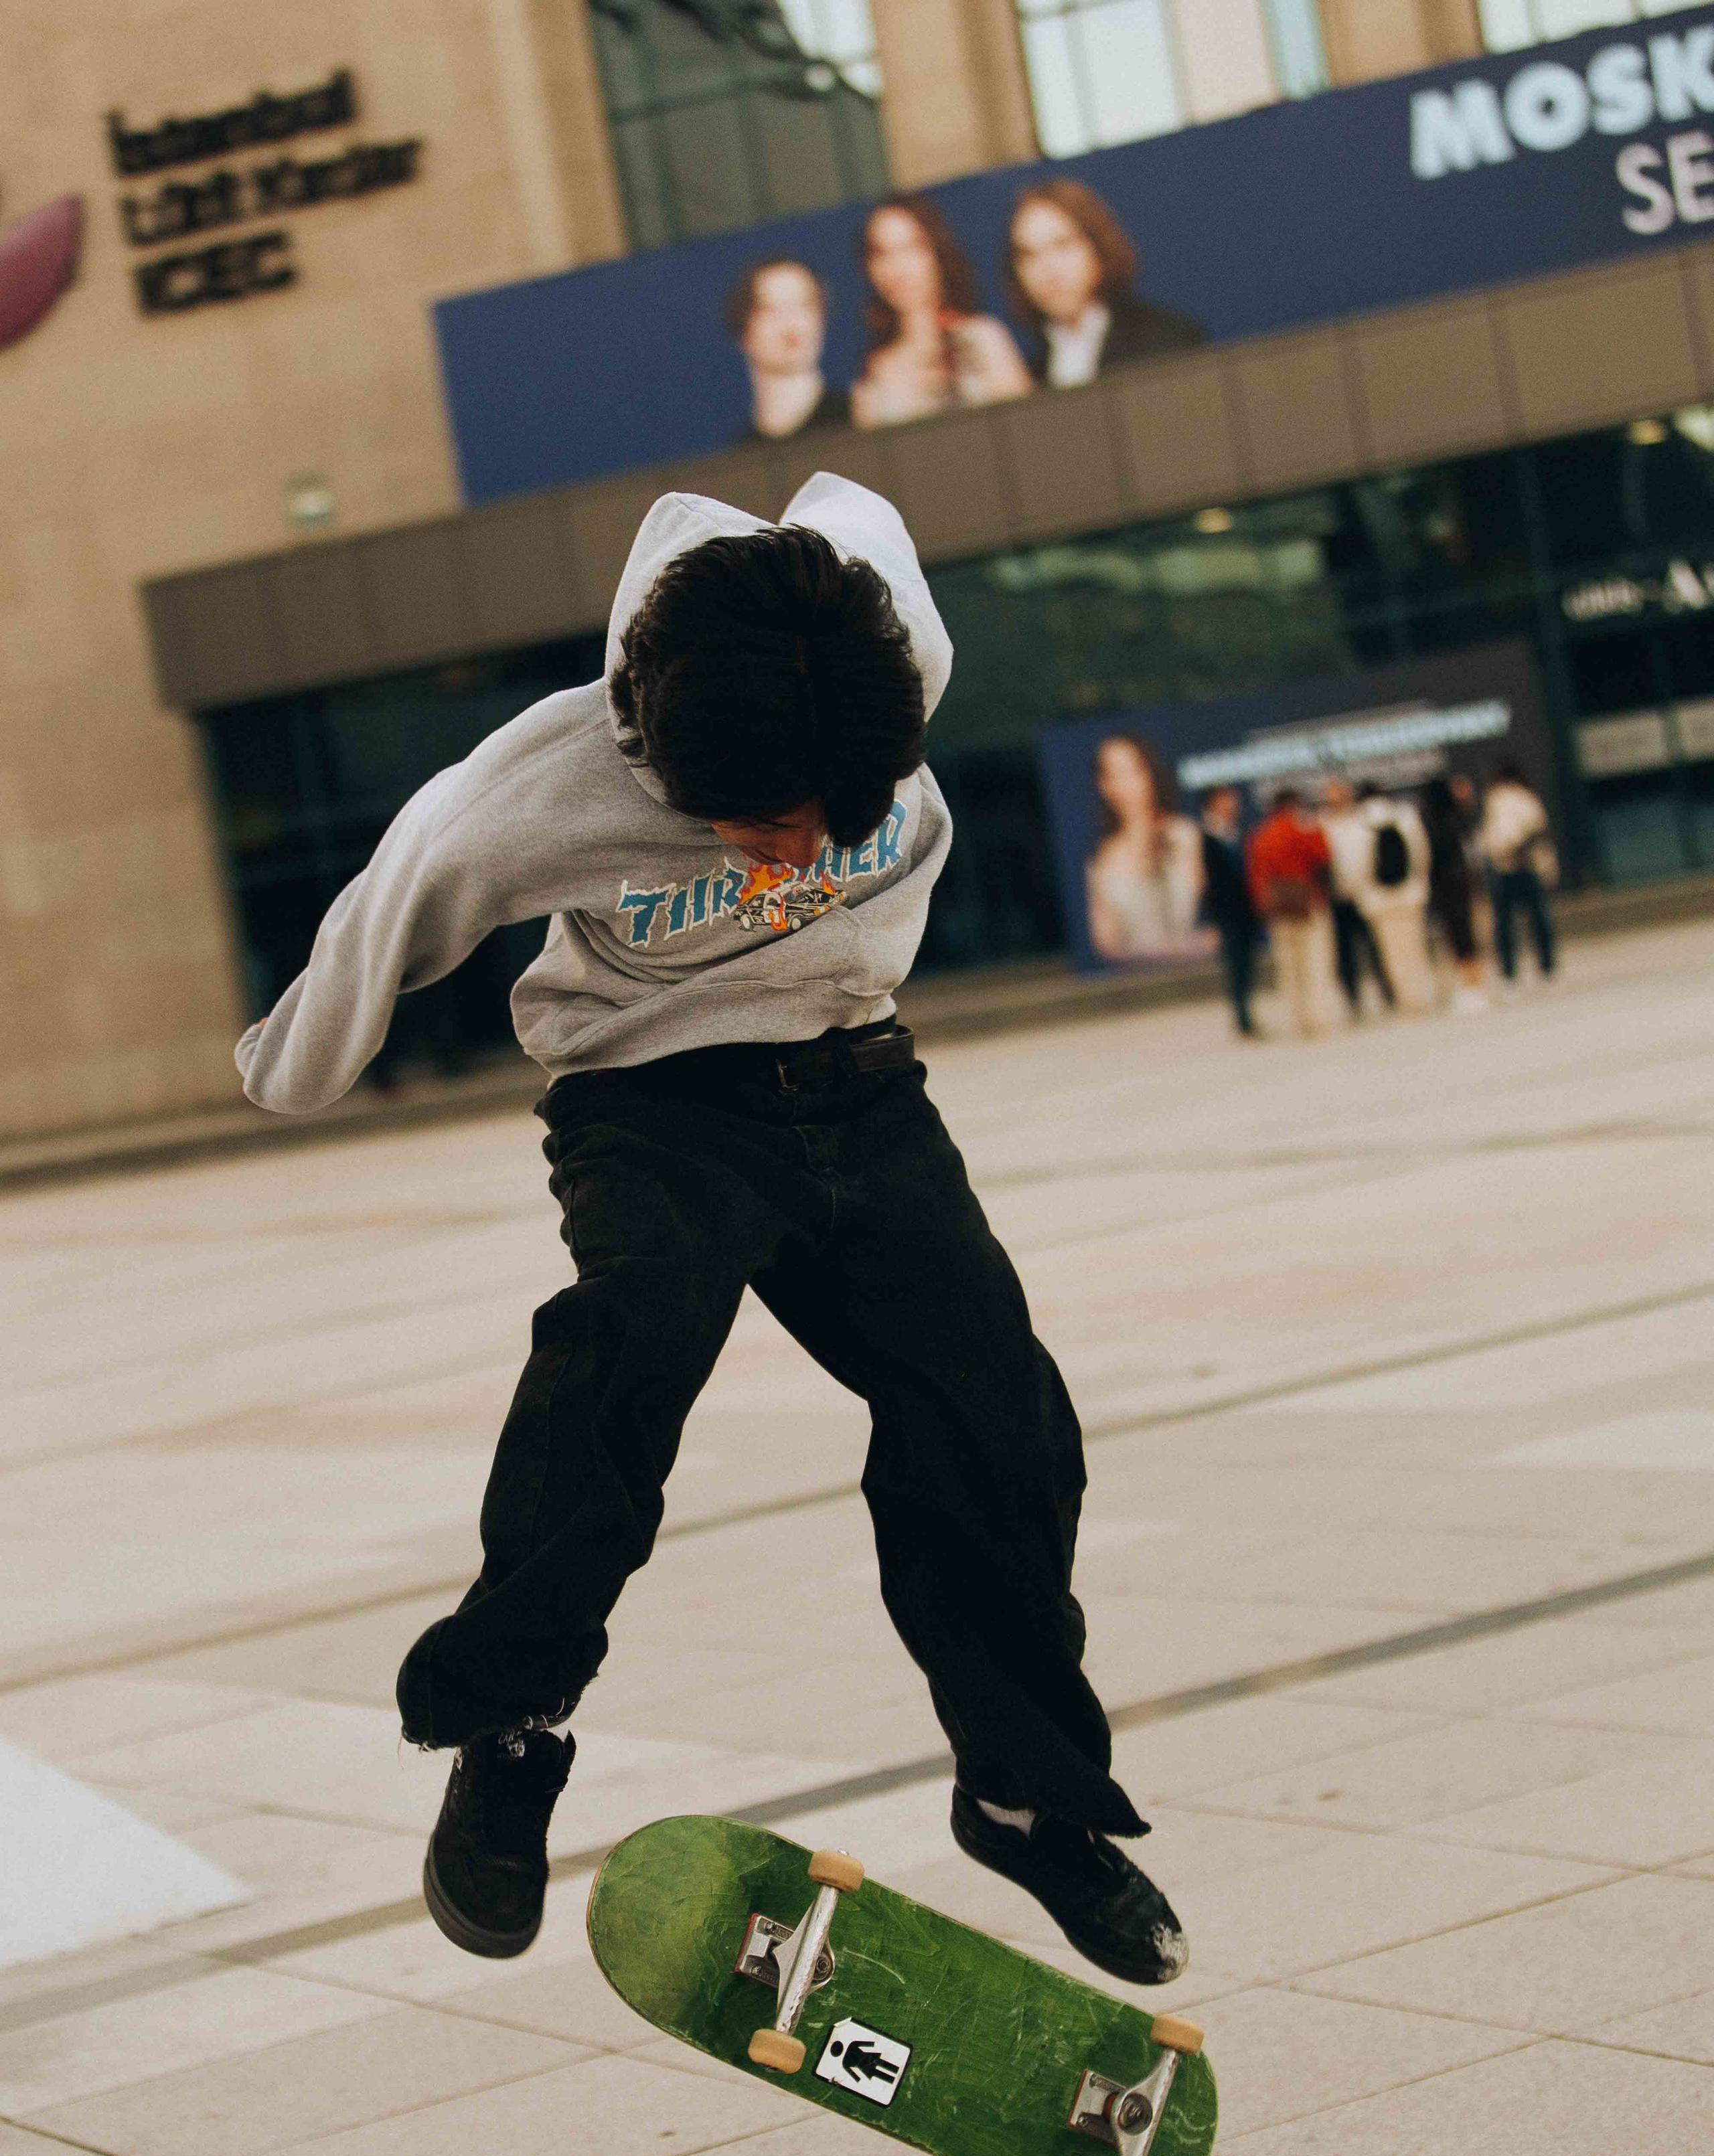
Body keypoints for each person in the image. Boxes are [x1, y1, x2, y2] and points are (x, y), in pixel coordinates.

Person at [236, 473, 1186, 1991]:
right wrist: (287, 1064)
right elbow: (396, 894)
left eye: (820, 825)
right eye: (747, 827)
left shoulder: (891, 669)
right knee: (632, 1341)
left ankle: (1023, 1796)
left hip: (861, 1077)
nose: (782, 854)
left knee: (994, 1414)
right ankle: (508, 1729)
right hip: (651, 1097)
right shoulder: (546, 780)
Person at [850, 195, 1030, 428]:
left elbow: (1026, 431)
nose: (897, 267)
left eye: (911, 247)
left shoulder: (984, 338)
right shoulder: (873, 375)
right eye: (881, 253)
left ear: (937, 252)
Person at [1005, 179, 1203, 389]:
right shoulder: (1033, 373)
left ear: (1098, 247)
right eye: (1028, 255)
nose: (1047, 268)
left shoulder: (1166, 340)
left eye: (1062, 244)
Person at [1084, 734, 1209, 963]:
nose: (1127, 783)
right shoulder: (1102, 860)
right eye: (1114, 773)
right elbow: (1106, 943)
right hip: (1137, 978)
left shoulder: (1185, 835)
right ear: (1103, 785)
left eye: (1134, 770)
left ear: (1150, 773)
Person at [1245, 785, 1336, 1038]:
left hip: (1279, 912)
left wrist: (1265, 907)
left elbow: (1257, 877)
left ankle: (1298, 1019)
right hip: (1308, 905)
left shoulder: (1261, 835)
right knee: (1315, 963)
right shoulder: (1301, 828)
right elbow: (1323, 855)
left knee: (1289, 968)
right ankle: (1317, 1018)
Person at [728, 257, 850, 442]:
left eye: (803, 305)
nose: (790, 324)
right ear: (744, 331)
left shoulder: (859, 419)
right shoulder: (740, 457)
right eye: (770, 309)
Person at [1316, 774, 1394, 1021]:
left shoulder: (1363, 820)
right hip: (1338, 899)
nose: (1336, 800)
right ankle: (1353, 1001)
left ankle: (1388, 993)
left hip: (1365, 895)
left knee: (1376, 948)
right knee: (1344, 955)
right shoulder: (1322, 825)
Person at [1354, 779, 1435, 1013]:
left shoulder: (1360, 822)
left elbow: (1359, 867)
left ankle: (1406, 1001)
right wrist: (1419, 882)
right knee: (1415, 947)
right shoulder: (1405, 816)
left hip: (1380, 901)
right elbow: (1421, 854)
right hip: (1410, 894)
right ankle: (1423, 995)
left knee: (1393, 954)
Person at [1479, 761, 1558, 986]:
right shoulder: (1525, 796)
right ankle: (1546, 964)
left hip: (1511, 865)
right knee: (1536, 918)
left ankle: (1511, 970)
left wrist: (1504, 850)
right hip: (1524, 865)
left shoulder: (1499, 798)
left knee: (1507, 922)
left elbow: (1496, 835)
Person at [1197, 784, 1263, 1038]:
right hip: (1227, 915)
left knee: (1248, 964)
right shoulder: (1206, 837)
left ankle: (1247, 1013)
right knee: (1235, 965)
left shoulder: (1239, 832)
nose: (1233, 804)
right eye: (1227, 800)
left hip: (1248, 911)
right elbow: (1207, 882)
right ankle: (1242, 1017)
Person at [1419, 773, 1488, 1013]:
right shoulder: (1456, 816)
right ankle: (1474, 984)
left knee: (1457, 935)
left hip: (1443, 883)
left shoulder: (1428, 819)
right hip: (1461, 880)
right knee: (1466, 933)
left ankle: (1471, 985)